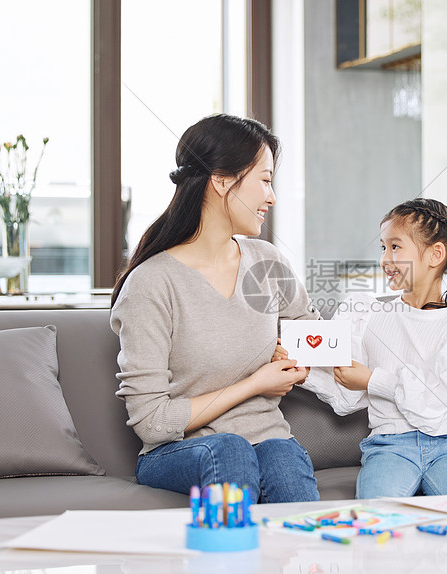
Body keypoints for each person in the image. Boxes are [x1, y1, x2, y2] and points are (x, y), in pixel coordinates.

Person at [110, 114, 320, 503]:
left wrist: (295, 356)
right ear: (222, 180)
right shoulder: (152, 283)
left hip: (267, 437)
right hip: (177, 451)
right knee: (230, 449)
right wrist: (256, 383)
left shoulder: (266, 262)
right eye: (265, 180)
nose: (271, 197)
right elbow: (152, 424)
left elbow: (314, 334)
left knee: (283, 457)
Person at [298, 198, 447, 499]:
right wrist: (301, 368)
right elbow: (348, 395)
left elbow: (445, 404)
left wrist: (373, 380)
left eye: (395, 247)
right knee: (376, 518)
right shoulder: (369, 315)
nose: (385, 260)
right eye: (383, 248)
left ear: (435, 254)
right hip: (389, 446)